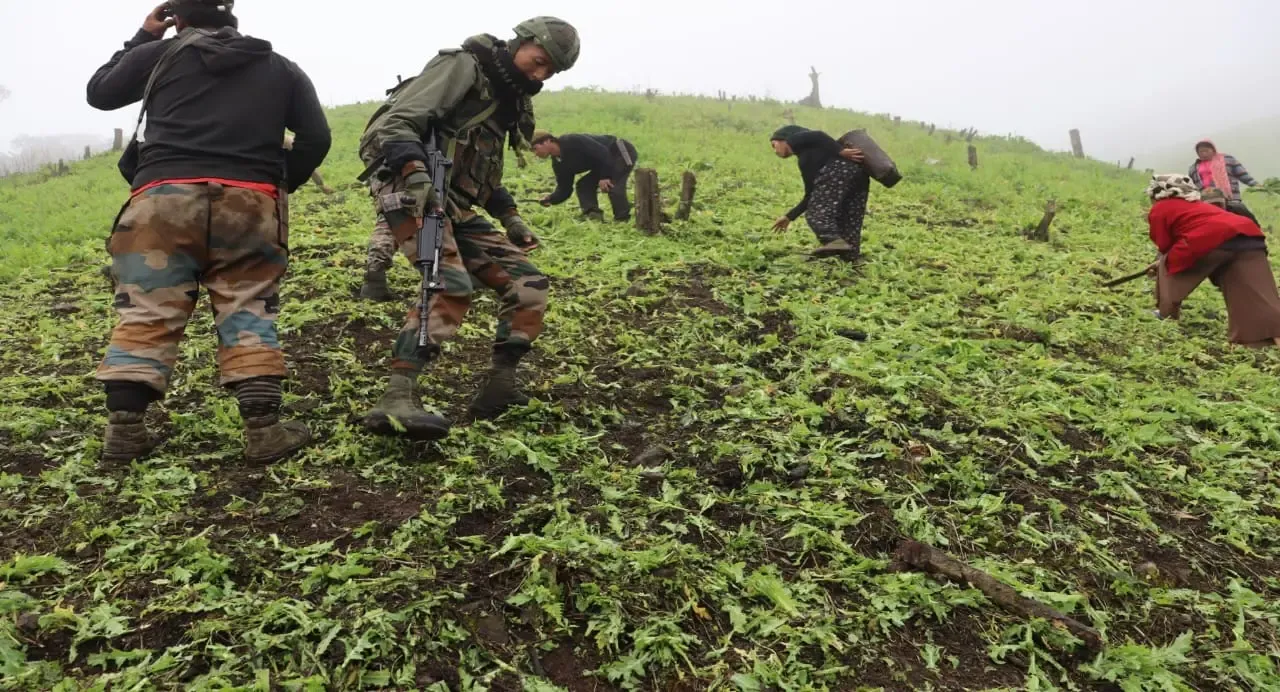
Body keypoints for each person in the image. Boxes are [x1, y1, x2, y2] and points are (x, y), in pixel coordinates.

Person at [86, 0, 331, 463]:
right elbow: (316, 138)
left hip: (162, 199)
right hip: (250, 201)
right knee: (248, 306)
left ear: (176, 16)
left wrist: (144, 36)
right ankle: (264, 432)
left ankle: (125, 432)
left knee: (146, 309)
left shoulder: (157, 53)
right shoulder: (281, 67)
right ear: (231, 13)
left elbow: (100, 92)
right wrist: (274, 185)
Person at [355, 17, 579, 439]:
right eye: (539, 61)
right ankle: (397, 395)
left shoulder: (509, 99)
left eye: (551, 71)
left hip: (456, 202)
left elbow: (482, 175)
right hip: (413, 189)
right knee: (449, 284)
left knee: (529, 285)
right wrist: (415, 173)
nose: (541, 74)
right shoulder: (464, 67)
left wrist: (511, 218)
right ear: (522, 42)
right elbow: (398, 123)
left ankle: (499, 386)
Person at [1146, 174, 1280, 347]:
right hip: (1249, 238)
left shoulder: (1160, 208)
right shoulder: (1197, 205)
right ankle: (1263, 338)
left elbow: (1165, 244)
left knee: (1170, 266)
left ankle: (1166, 315)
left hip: (1211, 239)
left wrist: (1162, 262)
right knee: (1258, 295)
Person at [359, 184, 539, 301]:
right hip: (409, 178)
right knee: (396, 215)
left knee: (397, 216)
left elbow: (487, 185)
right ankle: (377, 276)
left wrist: (512, 219)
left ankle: (376, 275)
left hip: (415, 179)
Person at [768, 125, 869, 260]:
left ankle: (834, 241)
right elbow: (810, 194)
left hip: (839, 172)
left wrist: (841, 151)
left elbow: (818, 134)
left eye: (774, 145)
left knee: (816, 213)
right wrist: (789, 217)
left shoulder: (794, 139)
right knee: (848, 217)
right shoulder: (806, 160)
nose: (775, 151)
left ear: (783, 139)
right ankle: (850, 257)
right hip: (859, 176)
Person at [531, 130, 637, 222]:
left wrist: (605, 177)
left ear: (547, 141)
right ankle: (593, 215)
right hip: (603, 162)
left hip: (620, 151)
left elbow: (603, 153)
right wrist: (551, 199)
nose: (535, 153)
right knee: (584, 185)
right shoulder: (559, 163)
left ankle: (622, 220)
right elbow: (565, 189)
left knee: (613, 185)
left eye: (535, 148)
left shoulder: (571, 140)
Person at [1189, 140, 1259, 202]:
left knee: (1237, 211)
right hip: (1207, 200)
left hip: (1231, 197)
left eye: (1206, 151)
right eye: (1201, 152)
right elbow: (1191, 186)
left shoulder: (1227, 159)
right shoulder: (1193, 168)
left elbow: (1242, 174)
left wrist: (1255, 185)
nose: (1204, 154)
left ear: (1213, 150)